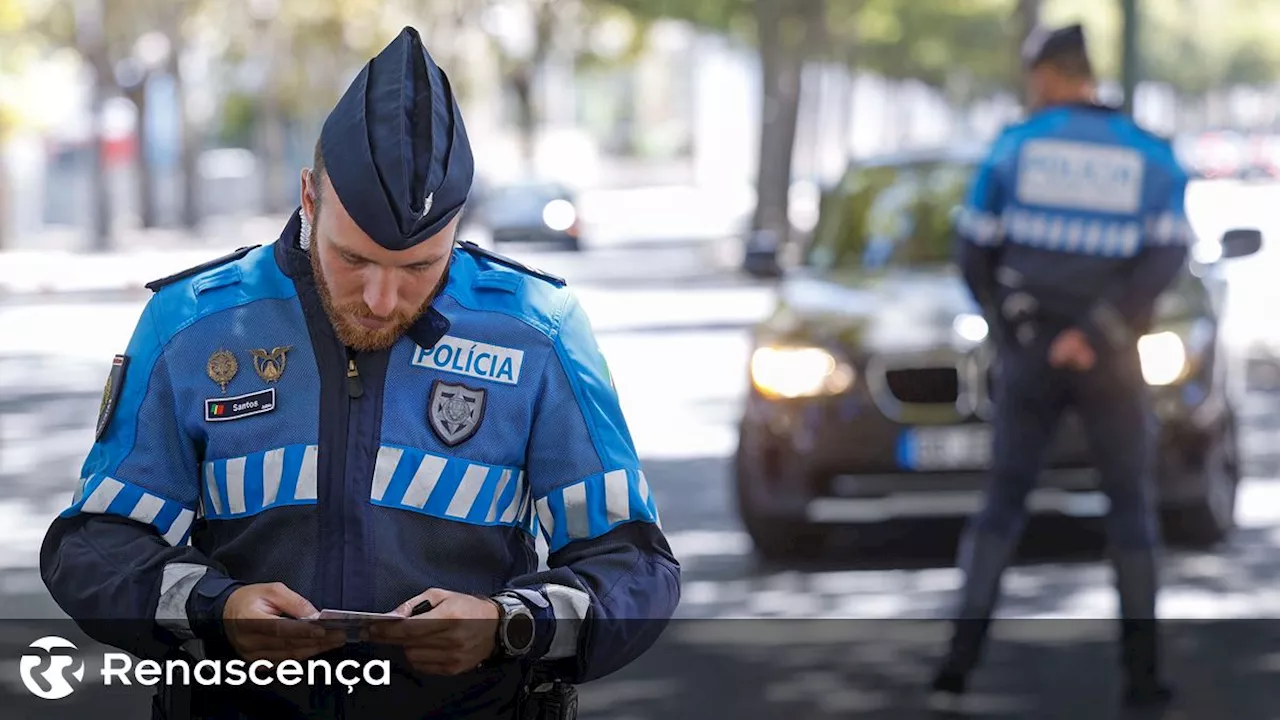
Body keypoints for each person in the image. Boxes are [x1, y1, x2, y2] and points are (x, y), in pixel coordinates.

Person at [41, 26, 680, 719]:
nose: (382, 300)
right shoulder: (192, 323)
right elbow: (94, 547)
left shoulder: (538, 330)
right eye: (354, 260)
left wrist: (508, 626)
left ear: (459, 225)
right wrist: (217, 611)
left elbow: (635, 568)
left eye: (418, 269)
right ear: (309, 198)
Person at [930, 23, 1187, 709]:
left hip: (1032, 356)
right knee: (1130, 506)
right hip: (1112, 361)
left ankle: (956, 668)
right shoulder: (1150, 156)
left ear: (1047, 75)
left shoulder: (1013, 150)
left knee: (1002, 503)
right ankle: (1143, 680)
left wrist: (1020, 333)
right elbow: (1166, 257)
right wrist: (1100, 331)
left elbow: (973, 251)